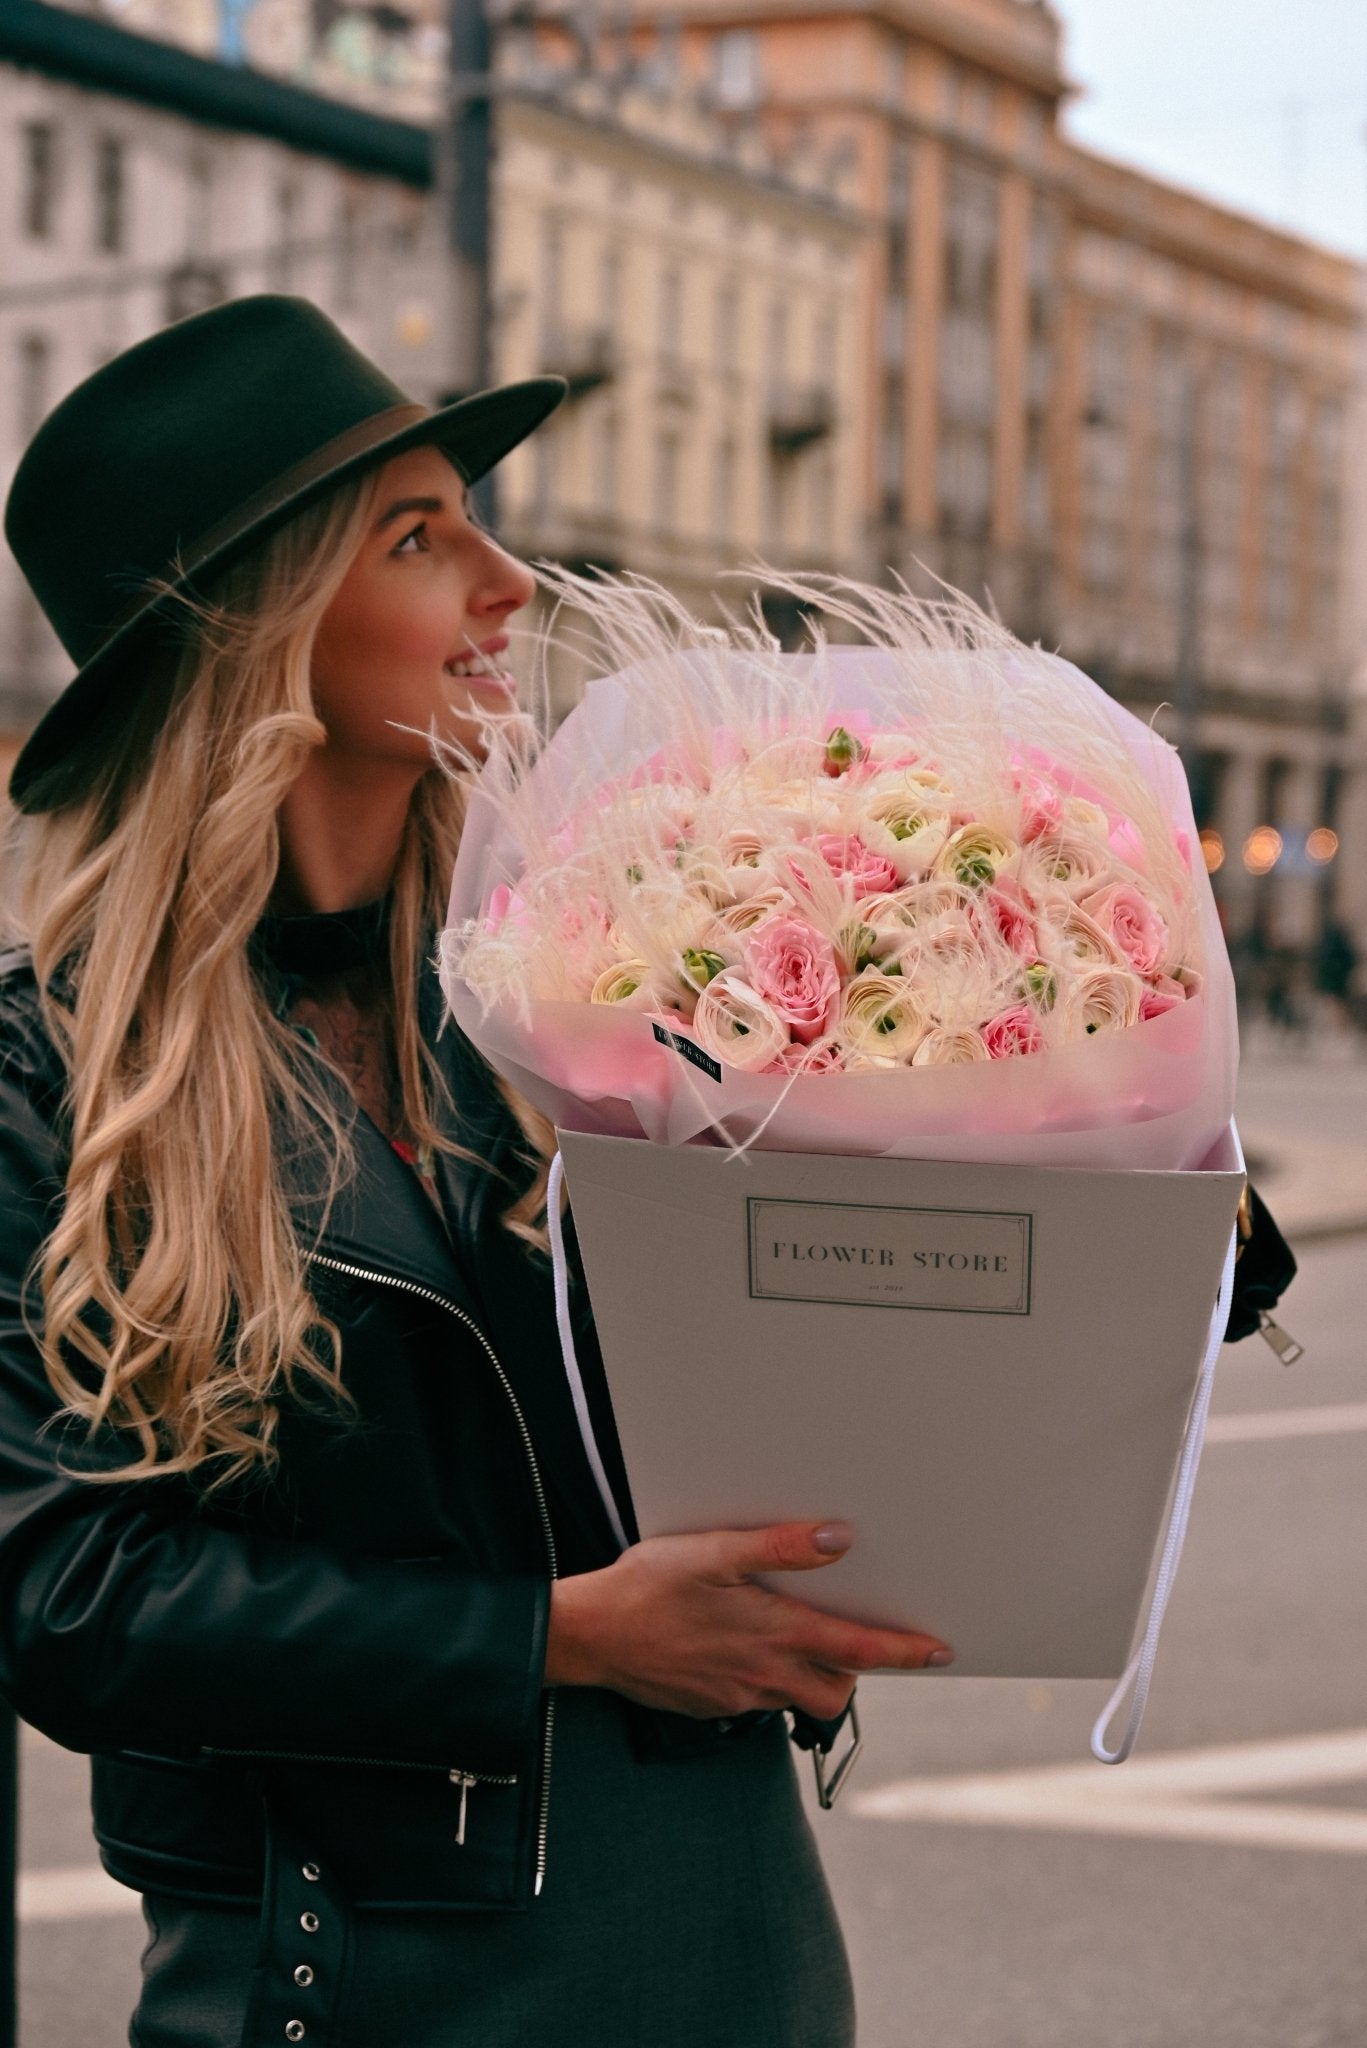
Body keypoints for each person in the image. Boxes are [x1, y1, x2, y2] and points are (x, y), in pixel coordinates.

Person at [0, 296, 952, 2048]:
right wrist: (555, 1641)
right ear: (256, 627)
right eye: (423, 537)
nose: (511, 580)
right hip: (350, 1979)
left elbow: (887, 1295)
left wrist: (1130, 1165)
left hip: (724, 1939)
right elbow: (62, 1594)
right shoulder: (52, 1074)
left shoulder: (619, 971)